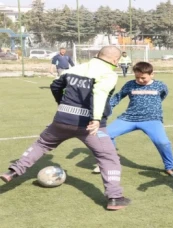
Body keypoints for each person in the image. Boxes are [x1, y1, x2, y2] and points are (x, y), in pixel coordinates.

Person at [0, 46, 131, 211]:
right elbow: (100, 93)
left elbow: (55, 86)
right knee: (108, 158)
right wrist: (96, 119)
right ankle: (115, 198)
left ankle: (13, 171)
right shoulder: (108, 74)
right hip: (89, 125)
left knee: (42, 144)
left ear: (98, 55)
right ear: (115, 60)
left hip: (62, 119)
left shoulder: (75, 69)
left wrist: (61, 104)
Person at [93, 61, 173, 178]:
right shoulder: (129, 85)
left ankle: (170, 167)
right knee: (104, 134)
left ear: (152, 74)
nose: (140, 80)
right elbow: (117, 97)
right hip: (129, 118)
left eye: (143, 78)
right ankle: (110, 161)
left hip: (152, 119)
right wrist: (103, 110)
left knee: (163, 142)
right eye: (137, 77)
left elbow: (162, 96)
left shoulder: (160, 86)